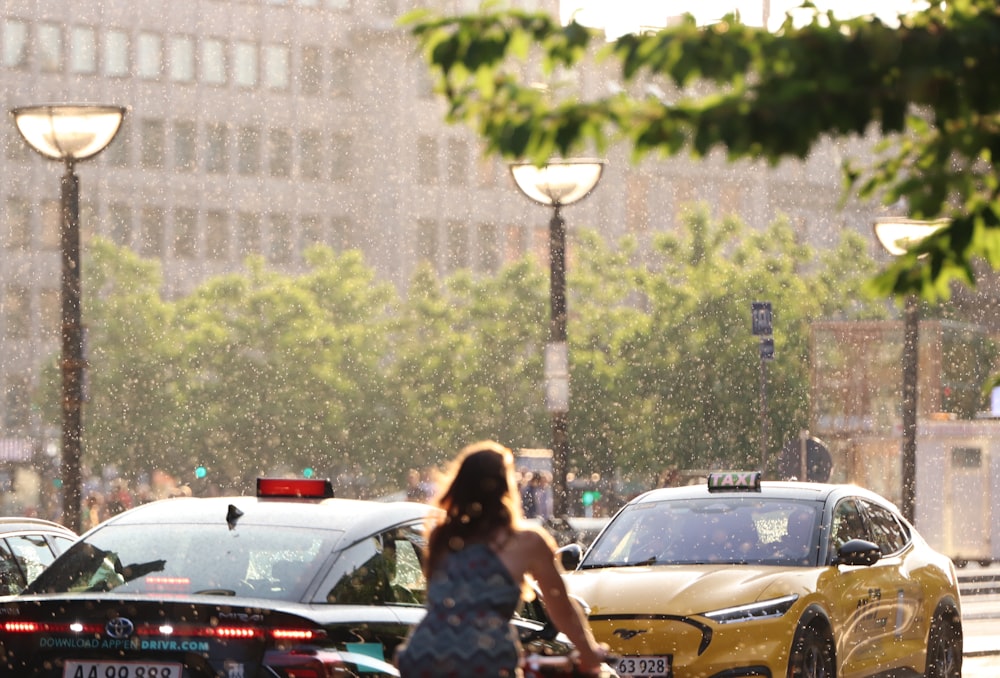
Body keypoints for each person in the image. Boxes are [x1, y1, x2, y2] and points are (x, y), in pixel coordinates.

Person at [396, 440, 606, 678]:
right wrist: (589, 654)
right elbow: (562, 609)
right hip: (484, 661)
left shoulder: (441, 537)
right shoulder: (526, 542)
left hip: (422, 656)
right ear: (506, 486)